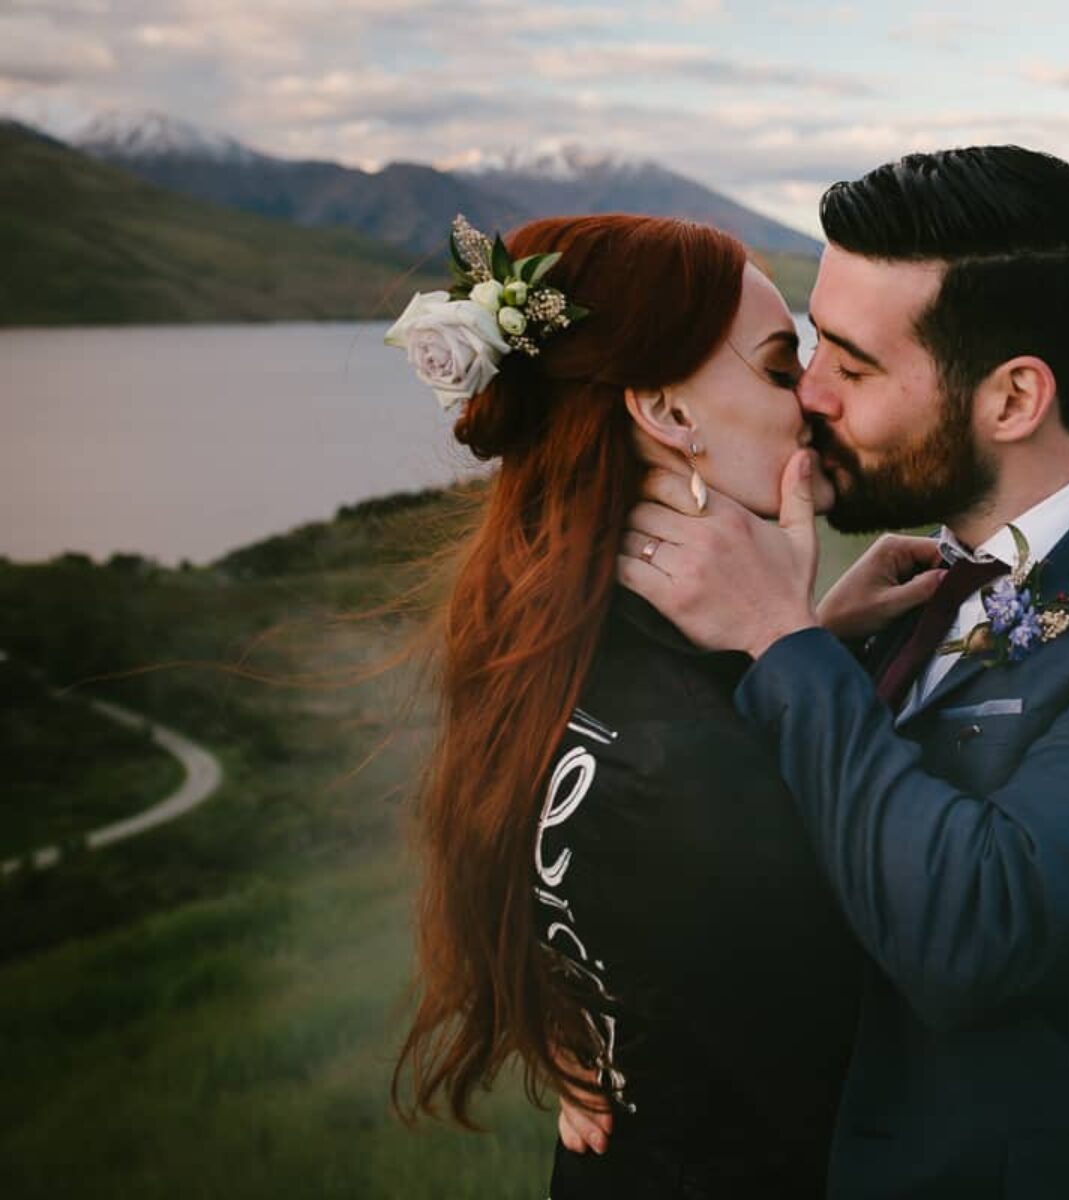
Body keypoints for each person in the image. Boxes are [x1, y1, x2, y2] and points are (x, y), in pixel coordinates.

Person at [612, 146, 1069, 1198]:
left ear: (1012, 400)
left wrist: (784, 645)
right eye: (814, 346)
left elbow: (975, 931)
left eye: (853, 368)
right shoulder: (913, 588)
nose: (808, 394)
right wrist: (602, 1014)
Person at [386, 213, 936, 1197]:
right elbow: (879, 1070)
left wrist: (803, 639)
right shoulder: (691, 761)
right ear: (667, 414)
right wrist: (790, 647)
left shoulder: (551, 655)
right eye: (778, 366)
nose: (812, 395)